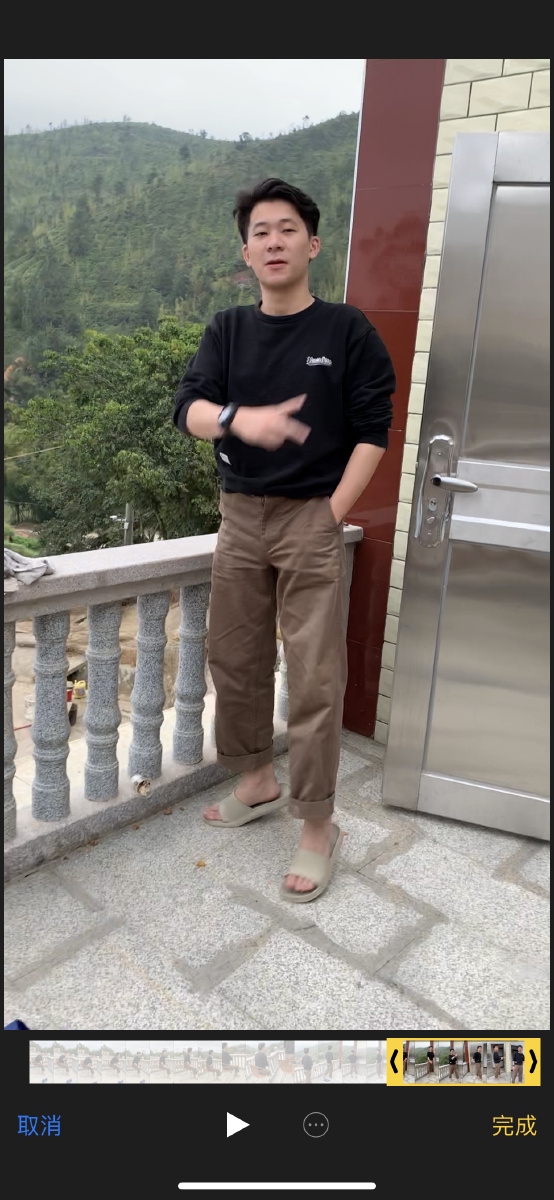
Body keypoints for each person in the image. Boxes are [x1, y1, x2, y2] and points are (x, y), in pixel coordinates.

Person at [174, 177, 395, 903]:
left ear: (313, 244)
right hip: (240, 513)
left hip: (311, 518)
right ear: (246, 252)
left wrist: (332, 513)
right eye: (261, 232)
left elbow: (373, 431)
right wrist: (240, 419)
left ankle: (318, 824)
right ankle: (257, 780)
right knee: (234, 659)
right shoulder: (228, 329)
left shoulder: (347, 330)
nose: (273, 242)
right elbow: (190, 408)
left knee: (314, 674)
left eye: (287, 229)